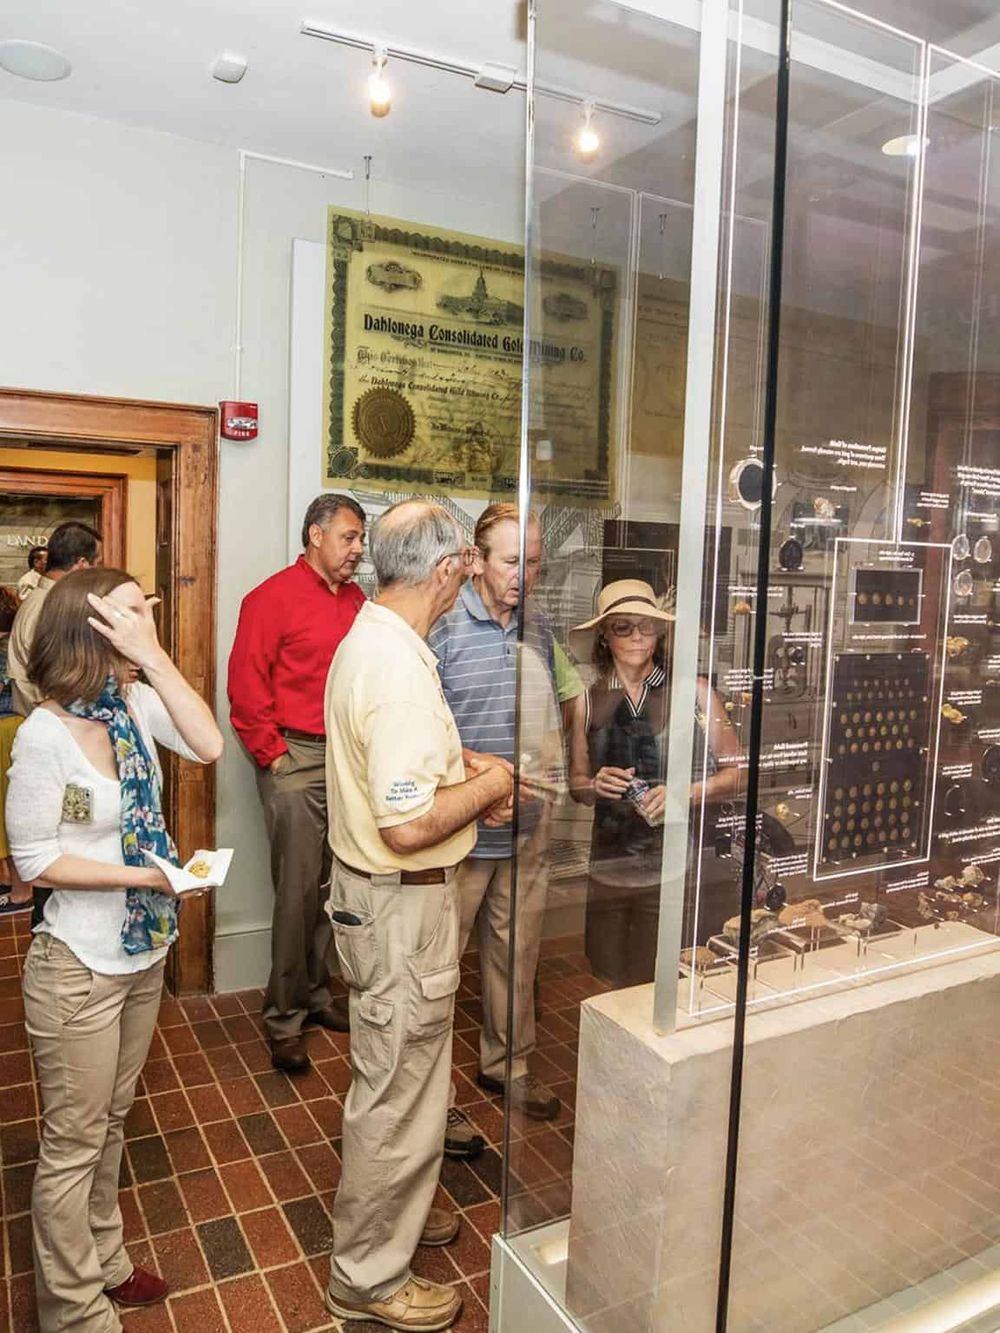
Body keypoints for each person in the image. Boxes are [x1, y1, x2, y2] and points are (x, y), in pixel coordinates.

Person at [6, 567, 223, 1333]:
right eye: (134, 613)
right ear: (92, 627)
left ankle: (106, 1261)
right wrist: (148, 874)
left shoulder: (131, 702)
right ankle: (71, 1311)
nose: (148, 620)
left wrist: (156, 657)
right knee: (73, 1139)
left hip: (141, 953)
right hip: (77, 965)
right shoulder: (43, 734)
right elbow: (34, 861)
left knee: (115, 1117)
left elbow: (208, 741)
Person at [324, 500, 513, 1332]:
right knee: (396, 1089)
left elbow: (399, 767)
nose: (469, 576)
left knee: (403, 1076)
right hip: (400, 904)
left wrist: (457, 768)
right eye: (467, 563)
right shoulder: (397, 666)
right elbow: (405, 825)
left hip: (387, 902)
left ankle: (396, 1210)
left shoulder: (378, 638)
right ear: (443, 570)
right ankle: (368, 1278)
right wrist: (494, 782)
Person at [429, 503, 573, 1129]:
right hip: (460, 833)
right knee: (436, 969)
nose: (523, 574)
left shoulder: (538, 628)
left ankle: (507, 1067)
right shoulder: (441, 627)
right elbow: (420, 735)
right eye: (512, 560)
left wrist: (541, 784)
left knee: (517, 956)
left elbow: (548, 716)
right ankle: (432, 1101)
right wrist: (478, 784)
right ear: (477, 560)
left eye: (534, 562)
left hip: (526, 828)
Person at [228, 494, 366, 1072]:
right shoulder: (269, 598)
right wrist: (274, 757)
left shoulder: (360, 602)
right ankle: (284, 1016)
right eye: (349, 537)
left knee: (335, 889)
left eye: (361, 540)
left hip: (348, 760)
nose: (358, 550)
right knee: (296, 892)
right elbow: (244, 684)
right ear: (315, 535)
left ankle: (316, 993)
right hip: (295, 756)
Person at [568, 579, 740, 987]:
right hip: (608, 870)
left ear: (660, 631)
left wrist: (684, 793)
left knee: (662, 980)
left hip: (673, 868)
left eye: (645, 625)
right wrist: (595, 785)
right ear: (605, 636)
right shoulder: (585, 700)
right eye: (622, 627)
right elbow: (576, 784)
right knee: (609, 978)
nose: (636, 636)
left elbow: (738, 775)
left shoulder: (695, 693)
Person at [8, 521, 102, 716]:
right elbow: (60, 680)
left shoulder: (47, 600)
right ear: (82, 564)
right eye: (98, 564)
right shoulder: (51, 607)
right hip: (51, 724)